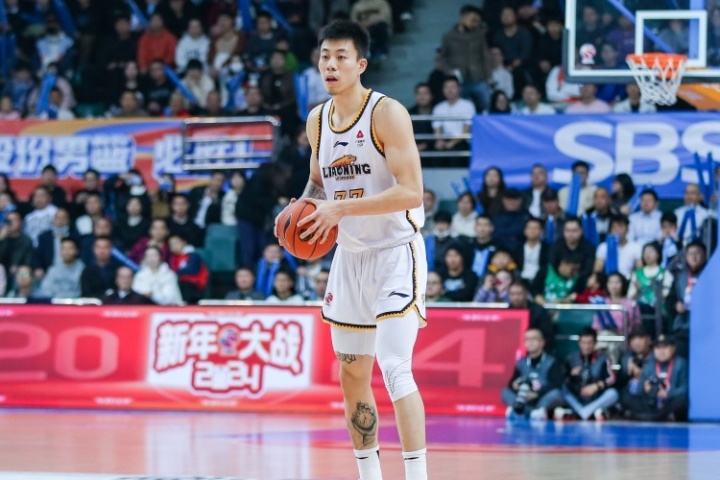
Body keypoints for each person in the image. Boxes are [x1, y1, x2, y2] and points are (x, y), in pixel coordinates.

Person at [273, 20, 428, 480]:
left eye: (341, 57)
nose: (331, 65)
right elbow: (318, 184)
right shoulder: (317, 120)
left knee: (395, 368)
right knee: (352, 375)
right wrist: (300, 210)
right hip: (350, 258)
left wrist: (341, 209)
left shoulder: (387, 114)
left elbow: (412, 191)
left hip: (396, 252)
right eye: (325, 56)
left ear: (360, 64)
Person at [622, 334, 689, 421]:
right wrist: (645, 389)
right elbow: (638, 390)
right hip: (651, 402)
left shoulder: (680, 363)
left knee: (681, 400)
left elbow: (684, 388)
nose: (661, 351)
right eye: (658, 348)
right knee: (626, 396)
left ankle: (659, 415)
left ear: (673, 348)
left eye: (665, 347)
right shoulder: (648, 365)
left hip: (670, 400)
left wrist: (668, 393)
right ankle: (653, 415)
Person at [502, 328, 564, 420]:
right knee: (505, 392)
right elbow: (511, 383)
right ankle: (527, 411)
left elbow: (556, 383)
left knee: (556, 394)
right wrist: (516, 386)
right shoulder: (521, 362)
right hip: (525, 397)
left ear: (542, 342)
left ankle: (525, 411)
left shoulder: (551, 361)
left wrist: (537, 394)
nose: (530, 342)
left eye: (534, 339)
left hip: (541, 397)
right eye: (527, 339)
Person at [559, 327, 619, 421]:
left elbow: (612, 378)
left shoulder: (604, 358)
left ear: (595, 343)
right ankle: (586, 412)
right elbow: (562, 378)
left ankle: (582, 413)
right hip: (577, 397)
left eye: (589, 343)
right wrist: (571, 375)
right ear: (579, 343)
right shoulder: (571, 358)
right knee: (561, 390)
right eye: (583, 343)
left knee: (613, 393)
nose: (586, 346)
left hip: (596, 397)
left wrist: (597, 386)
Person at [439, 5, 492, 111]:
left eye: (477, 22)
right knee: (460, 109)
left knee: (489, 104)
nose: (475, 24)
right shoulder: (449, 37)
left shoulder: (479, 35)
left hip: (479, 78)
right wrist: (449, 71)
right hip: (459, 81)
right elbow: (442, 58)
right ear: (463, 17)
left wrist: (489, 76)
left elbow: (485, 56)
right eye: (473, 20)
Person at [666, 240, 707, 359]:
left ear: (704, 255)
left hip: (705, 326)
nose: (694, 257)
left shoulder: (711, 275)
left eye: (697, 253)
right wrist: (675, 305)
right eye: (690, 254)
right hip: (683, 326)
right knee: (681, 358)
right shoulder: (679, 276)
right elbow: (669, 300)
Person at [431, 76, 476, 167]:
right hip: (445, 139)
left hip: (461, 141)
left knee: (456, 153)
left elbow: (466, 131)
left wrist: (452, 143)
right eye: (447, 87)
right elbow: (437, 129)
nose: (450, 90)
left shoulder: (467, 105)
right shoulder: (438, 108)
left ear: (459, 89)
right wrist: (439, 141)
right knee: (434, 154)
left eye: (453, 87)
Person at [507, 281, 554, 351]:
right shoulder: (506, 313)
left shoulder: (539, 312)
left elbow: (548, 335)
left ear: (526, 294)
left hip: (535, 350)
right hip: (511, 348)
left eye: (519, 294)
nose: (515, 298)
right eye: (512, 294)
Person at [0, 211, 34, 281]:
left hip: (19, 272)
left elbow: (28, 261)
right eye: (9, 220)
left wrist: (17, 268)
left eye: (14, 220)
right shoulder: (2, 238)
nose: (11, 223)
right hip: (1, 273)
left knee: (25, 272)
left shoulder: (26, 240)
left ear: (21, 222)